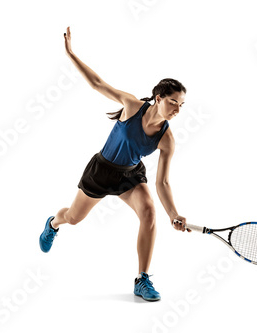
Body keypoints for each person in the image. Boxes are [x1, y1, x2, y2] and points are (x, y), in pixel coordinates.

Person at [39, 27, 190, 302]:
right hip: (101, 171)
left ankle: (142, 279)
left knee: (149, 213)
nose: (177, 109)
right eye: (173, 102)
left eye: (181, 105)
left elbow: (163, 182)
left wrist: (173, 213)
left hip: (130, 175)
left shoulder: (167, 140)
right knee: (73, 218)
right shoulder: (132, 106)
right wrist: (71, 53)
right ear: (158, 98)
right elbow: (98, 84)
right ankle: (52, 223)